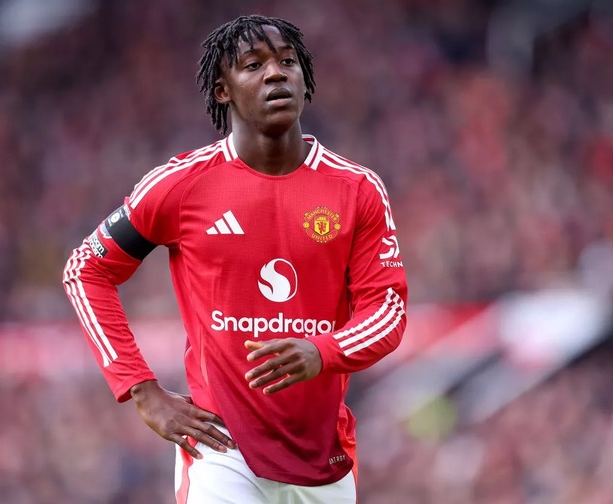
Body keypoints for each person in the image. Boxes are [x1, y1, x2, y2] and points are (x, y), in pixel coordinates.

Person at [62, 14, 407, 504]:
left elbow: (388, 311)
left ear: (306, 81)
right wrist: (142, 390)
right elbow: (86, 271)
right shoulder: (180, 185)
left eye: (288, 62)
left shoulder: (355, 190)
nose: (275, 73)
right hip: (221, 451)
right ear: (222, 91)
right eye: (253, 65)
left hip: (323, 461)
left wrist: (323, 351)